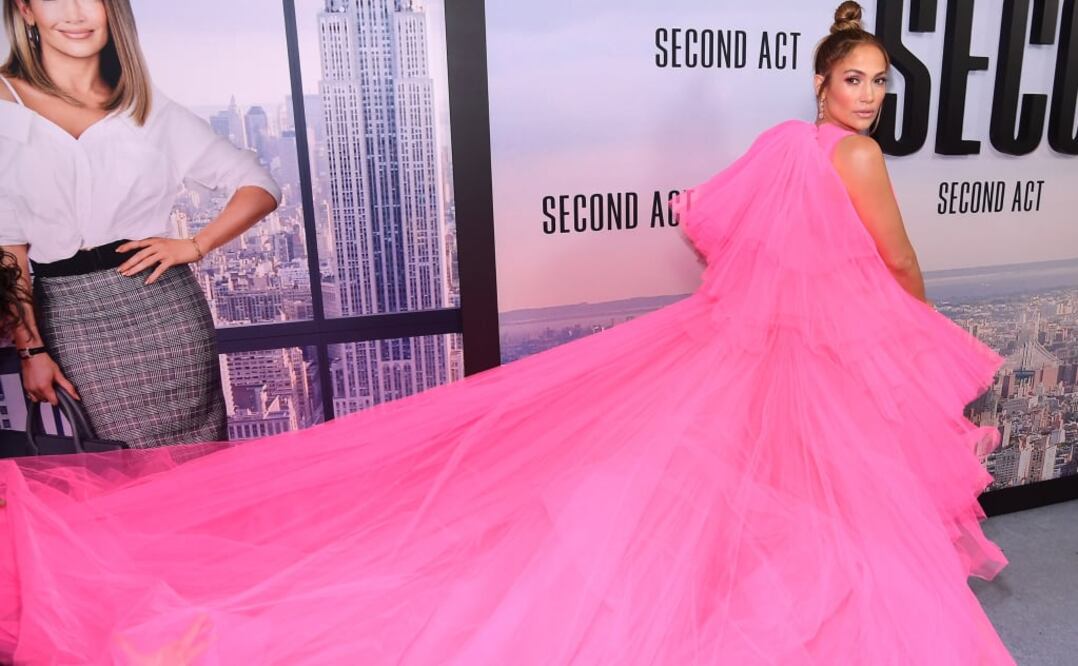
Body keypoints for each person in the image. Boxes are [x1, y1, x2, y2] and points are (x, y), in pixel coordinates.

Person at [0, 2, 1016, 663]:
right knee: (817, 501)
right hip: (818, 351)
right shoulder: (858, 161)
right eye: (858, 79)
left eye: (882, 82)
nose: (871, 95)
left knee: (753, 496)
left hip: (755, 341)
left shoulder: (781, 145)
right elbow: (897, 266)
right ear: (823, 83)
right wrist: (913, 335)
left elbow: (709, 222)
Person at [0, 0, 281, 448]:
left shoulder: (147, 107)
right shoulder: (4, 106)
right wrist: (30, 348)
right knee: (121, 466)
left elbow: (259, 185)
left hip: (164, 311)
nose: (74, 12)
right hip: (72, 319)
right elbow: (7, 250)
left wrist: (194, 245)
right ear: (26, 10)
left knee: (200, 467)